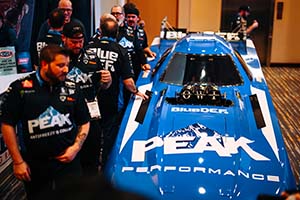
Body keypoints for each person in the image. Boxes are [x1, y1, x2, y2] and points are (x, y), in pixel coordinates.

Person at [0, 44, 90, 200]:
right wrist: (17, 161)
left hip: (68, 161)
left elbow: (84, 121)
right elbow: (7, 124)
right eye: (60, 65)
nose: (66, 70)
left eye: (67, 65)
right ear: (44, 64)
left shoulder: (73, 87)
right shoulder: (20, 88)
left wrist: (76, 147)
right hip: (36, 164)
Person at [86, 17, 148, 168]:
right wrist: (136, 92)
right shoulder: (121, 50)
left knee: (90, 133)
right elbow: (128, 82)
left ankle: (90, 165)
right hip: (111, 102)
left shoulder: (89, 47)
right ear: (117, 33)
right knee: (108, 135)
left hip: (89, 99)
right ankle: (106, 164)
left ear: (100, 31)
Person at [62, 21, 112, 175]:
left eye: (81, 41)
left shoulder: (92, 57)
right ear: (64, 38)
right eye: (74, 42)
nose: (78, 45)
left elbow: (103, 86)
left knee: (92, 163)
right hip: (66, 119)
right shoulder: (57, 58)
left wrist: (107, 81)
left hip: (91, 116)